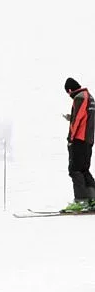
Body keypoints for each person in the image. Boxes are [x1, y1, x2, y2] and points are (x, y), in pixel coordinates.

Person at [62, 77, 95, 211]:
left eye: (68, 93)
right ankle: (92, 200)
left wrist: (70, 138)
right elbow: (86, 116)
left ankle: (81, 201)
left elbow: (78, 121)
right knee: (84, 170)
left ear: (70, 90)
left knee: (75, 170)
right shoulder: (90, 97)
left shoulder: (80, 97)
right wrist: (72, 117)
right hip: (88, 140)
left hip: (79, 140)